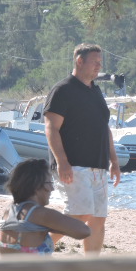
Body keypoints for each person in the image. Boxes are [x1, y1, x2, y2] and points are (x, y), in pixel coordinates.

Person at [43, 43, 121, 255]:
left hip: (99, 165)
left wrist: (114, 162)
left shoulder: (95, 91)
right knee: (80, 213)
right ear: (80, 61)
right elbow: (51, 128)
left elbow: (104, 128)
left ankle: (91, 267)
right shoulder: (62, 90)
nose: (99, 66)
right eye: (95, 62)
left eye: (100, 62)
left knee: (98, 219)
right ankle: (37, 245)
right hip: (73, 164)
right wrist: (62, 162)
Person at [0, 158, 91, 256]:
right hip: (34, 266)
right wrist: (54, 226)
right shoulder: (41, 214)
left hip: (8, 266)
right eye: (50, 183)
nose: (52, 188)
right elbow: (84, 231)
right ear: (37, 185)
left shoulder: (9, 211)